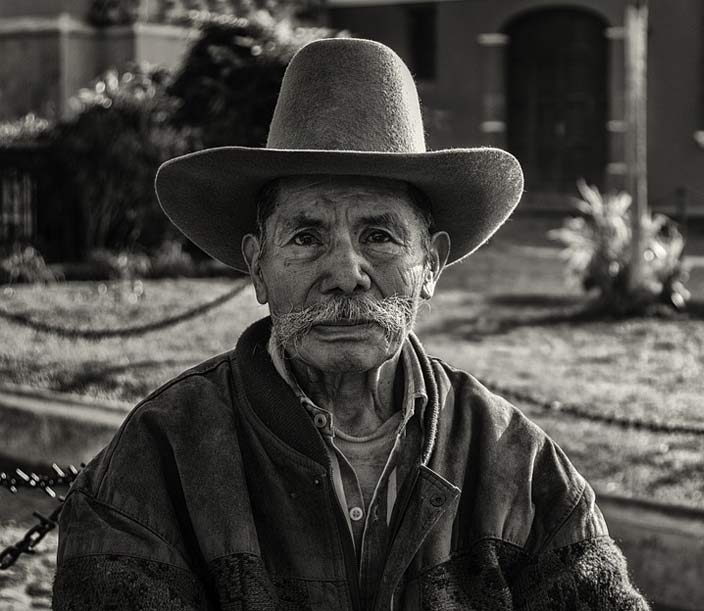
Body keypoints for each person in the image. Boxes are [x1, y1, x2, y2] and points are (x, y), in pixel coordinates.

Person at [52, 38, 649, 611]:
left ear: (431, 265)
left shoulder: (516, 463)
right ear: (257, 266)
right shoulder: (157, 461)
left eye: (379, 236)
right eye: (306, 237)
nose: (345, 273)